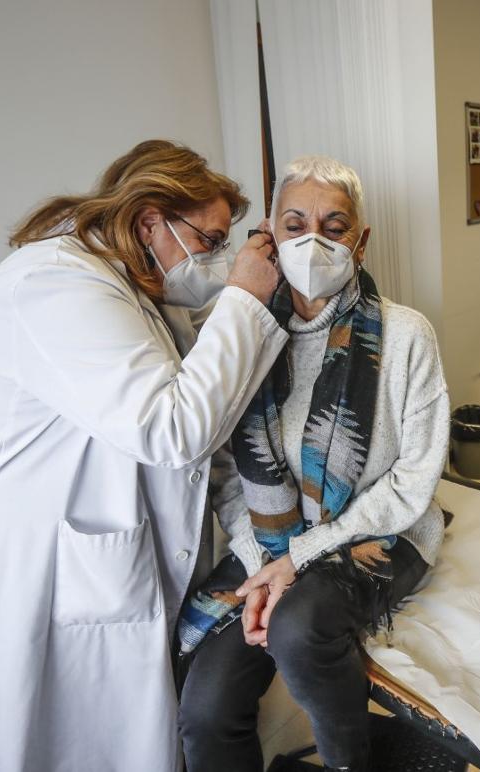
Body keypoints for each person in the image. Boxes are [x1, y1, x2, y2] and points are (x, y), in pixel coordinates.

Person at [0, 140, 285, 770]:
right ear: (152, 219)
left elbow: (210, 437)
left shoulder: (130, 290)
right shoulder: (53, 284)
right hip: (39, 564)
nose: (214, 258)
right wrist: (246, 298)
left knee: (127, 739)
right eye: (207, 239)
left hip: (102, 552)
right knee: (58, 746)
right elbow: (173, 429)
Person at [176, 156, 449, 772]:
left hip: (378, 532)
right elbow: (224, 473)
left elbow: (414, 478)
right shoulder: (240, 337)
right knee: (206, 708)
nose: (313, 240)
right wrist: (261, 558)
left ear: (361, 240)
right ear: (269, 237)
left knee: (296, 629)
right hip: (268, 543)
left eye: (335, 224)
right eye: (295, 224)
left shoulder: (406, 336)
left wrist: (297, 560)